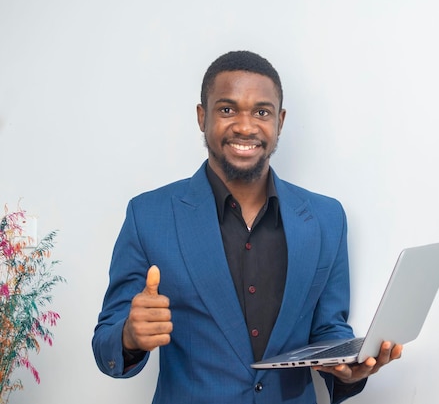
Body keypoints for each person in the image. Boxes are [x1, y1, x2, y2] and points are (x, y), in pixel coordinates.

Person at [92, 50, 402, 404]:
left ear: (280, 121)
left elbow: (329, 329)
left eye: (261, 112)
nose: (245, 125)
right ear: (201, 117)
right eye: (227, 109)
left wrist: (349, 370)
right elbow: (106, 346)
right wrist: (130, 336)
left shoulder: (327, 217)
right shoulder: (148, 215)